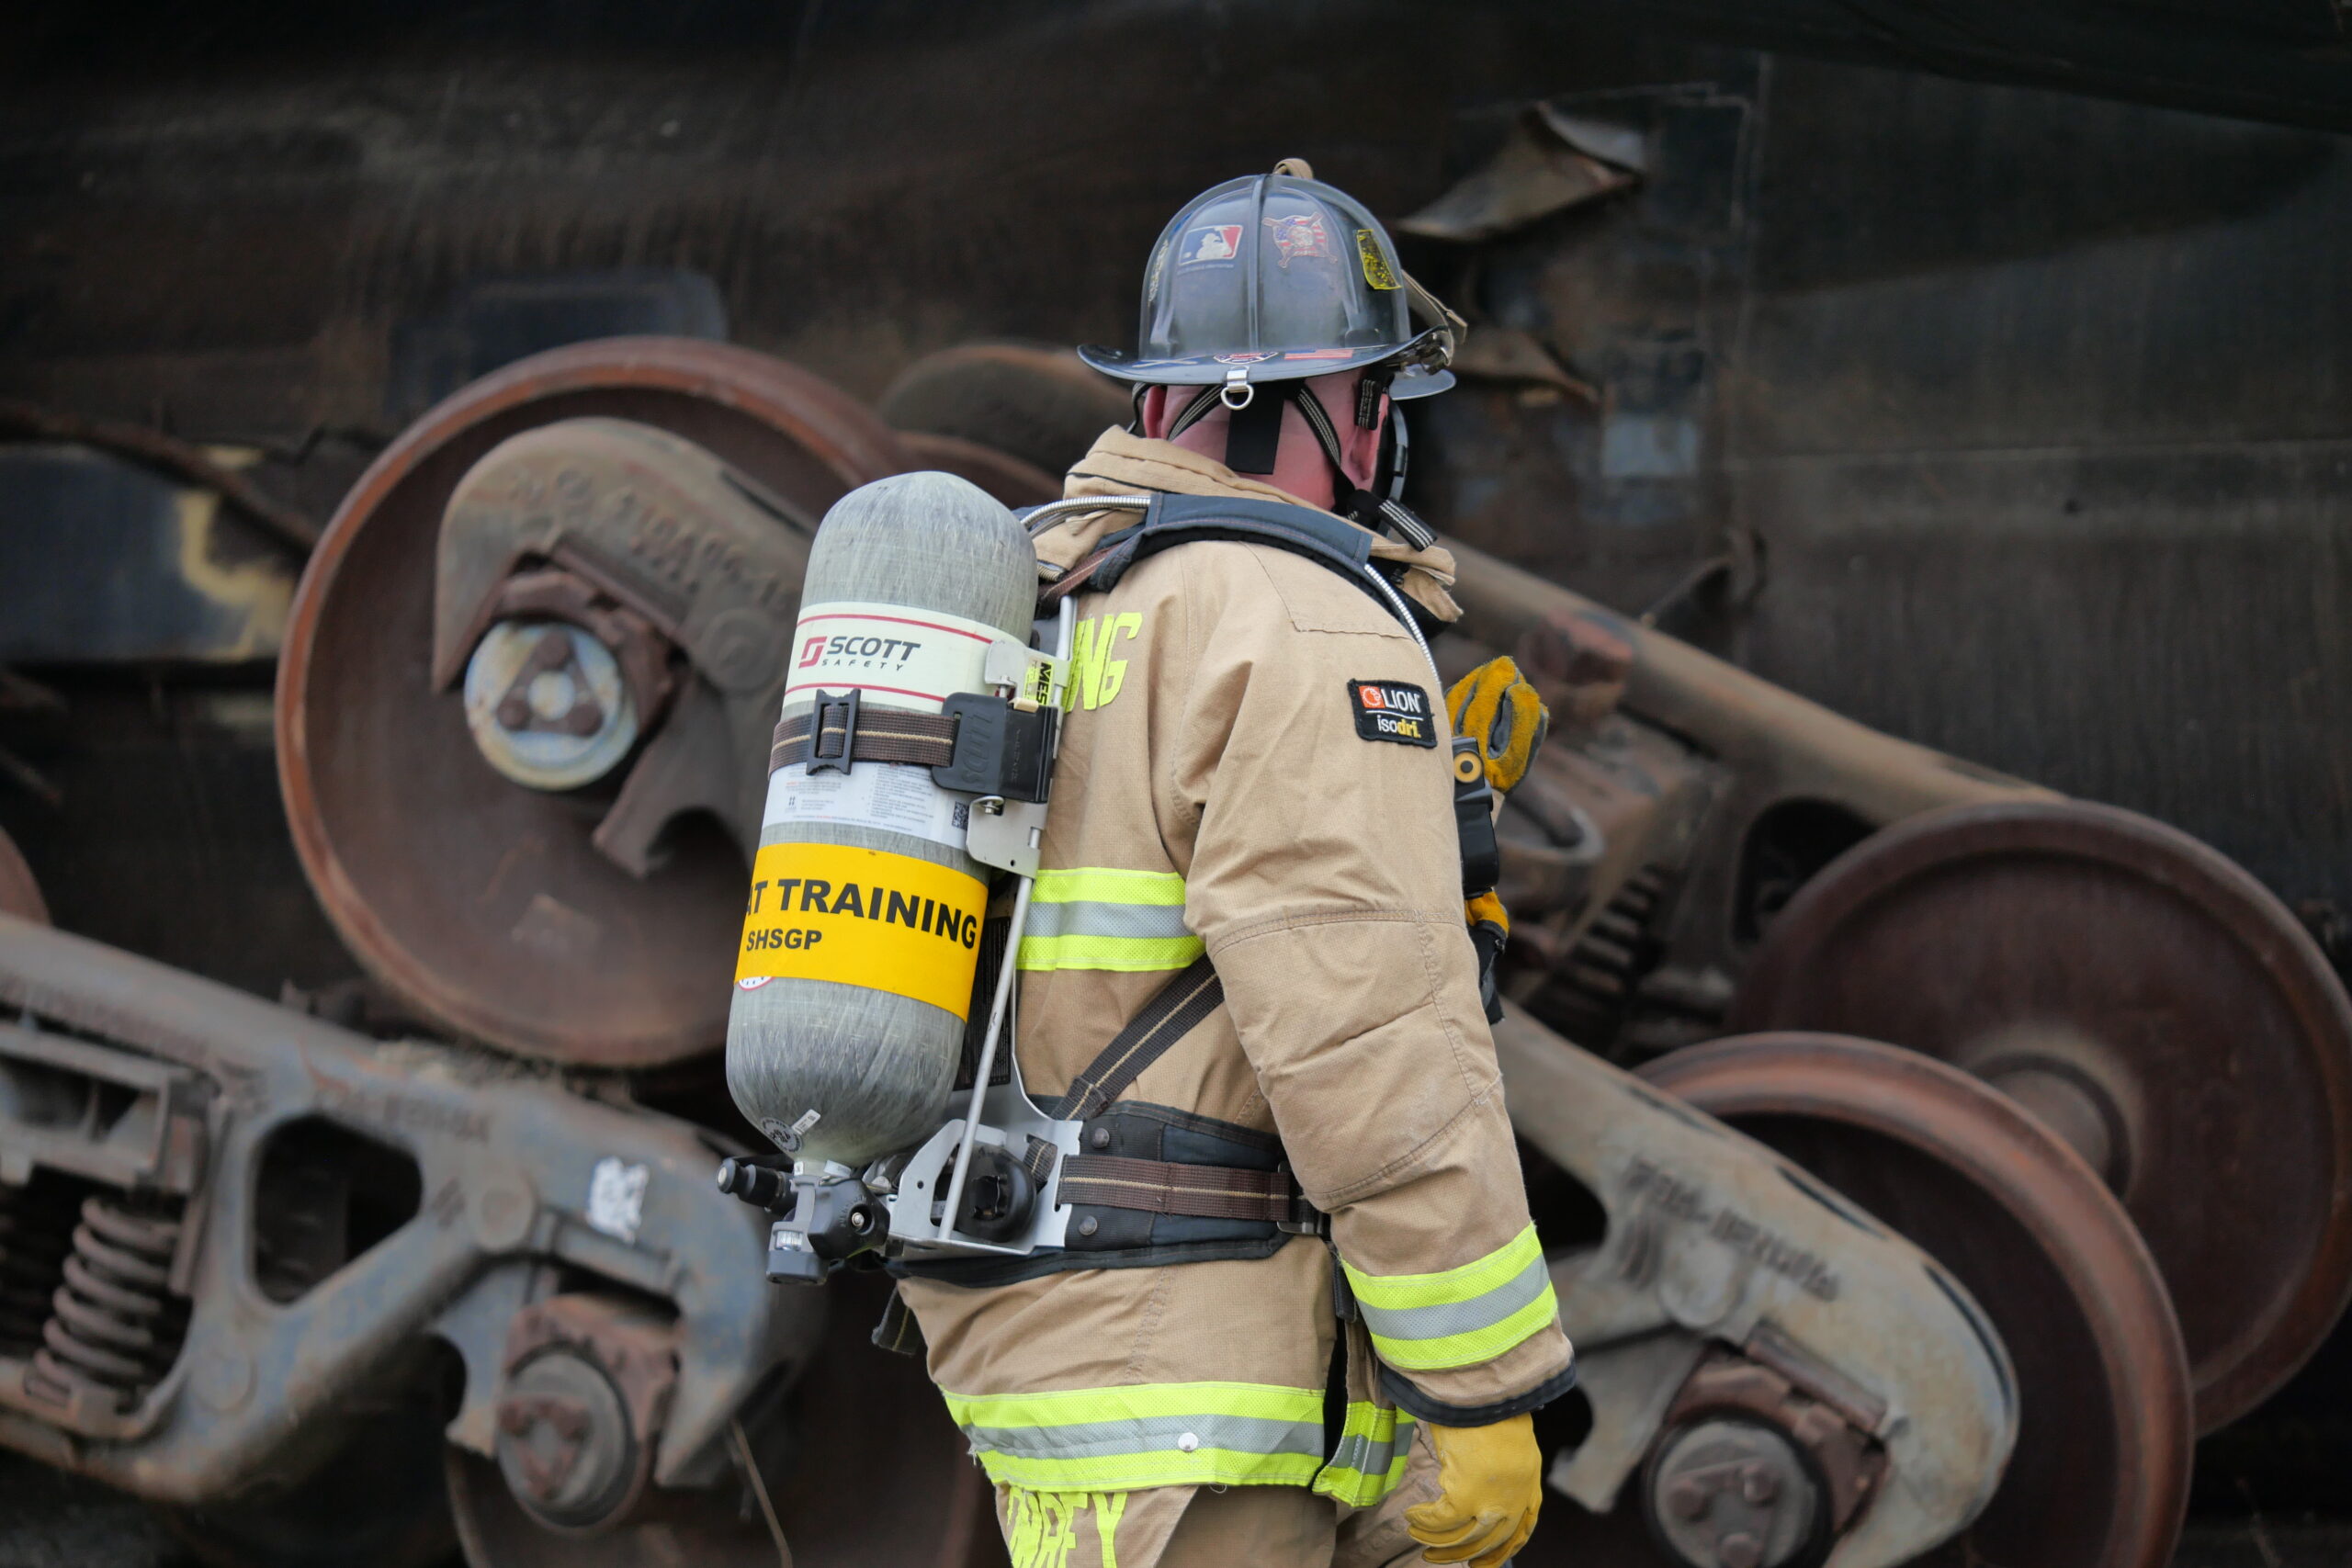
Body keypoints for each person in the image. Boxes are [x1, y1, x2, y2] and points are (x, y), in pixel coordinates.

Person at [893, 159, 1574, 1568]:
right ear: (1334, 405)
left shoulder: (1048, 587)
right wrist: (1490, 1388)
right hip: (1196, 1364)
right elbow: (1366, 1027)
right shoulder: (1303, 619)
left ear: (1157, 397)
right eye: (1381, 395)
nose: (1391, 437)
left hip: (1050, 1340)